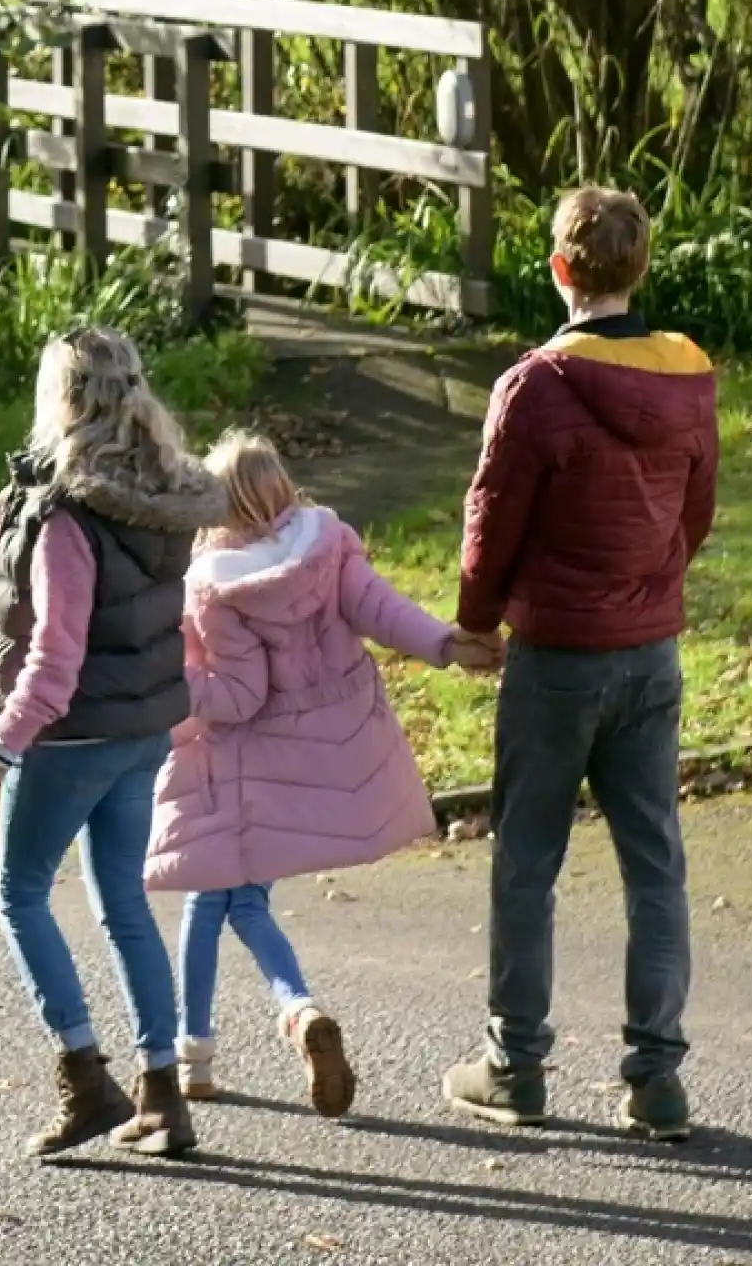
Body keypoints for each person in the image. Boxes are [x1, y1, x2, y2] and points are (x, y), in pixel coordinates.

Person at [441, 186, 720, 1142]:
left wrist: (478, 622)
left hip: (558, 654)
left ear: (560, 269)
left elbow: (492, 522)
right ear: (639, 267)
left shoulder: (534, 386)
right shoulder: (688, 373)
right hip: (651, 649)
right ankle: (657, 1075)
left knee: (527, 860)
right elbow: (697, 511)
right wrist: (653, 581)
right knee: (656, 863)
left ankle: (515, 1064)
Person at [141, 430, 495, 1118]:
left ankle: (201, 1054)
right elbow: (381, 610)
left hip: (249, 770)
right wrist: (446, 644)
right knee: (243, 903)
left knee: (209, 901)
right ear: (281, 488)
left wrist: (169, 686)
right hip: (322, 757)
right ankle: (291, 1016)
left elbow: (237, 697)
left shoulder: (217, 587)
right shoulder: (328, 546)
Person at [0, 326, 228, 1159]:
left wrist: (1, 748)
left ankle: (86, 1079)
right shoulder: (162, 498)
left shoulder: (72, 518)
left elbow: (55, 658)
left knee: (18, 894)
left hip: (68, 739)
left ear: (63, 402)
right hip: (141, 727)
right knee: (122, 904)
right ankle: (161, 1097)